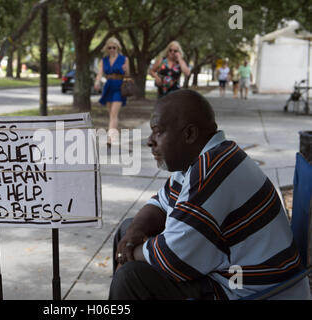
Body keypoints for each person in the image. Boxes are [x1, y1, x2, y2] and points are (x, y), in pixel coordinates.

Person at [109, 89, 311, 300]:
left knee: (131, 278)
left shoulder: (212, 170)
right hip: (232, 275)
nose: (150, 141)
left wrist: (129, 252)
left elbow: (172, 259)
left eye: (158, 132)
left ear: (189, 134)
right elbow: (160, 203)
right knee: (127, 230)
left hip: (250, 290)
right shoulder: (201, 159)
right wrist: (133, 234)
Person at [94, 37, 130, 146]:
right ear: (107, 49)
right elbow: (100, 73)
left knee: (114, 114)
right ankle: (114, 133)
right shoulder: (103, 60)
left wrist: (125, 69)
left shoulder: (124, 59)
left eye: (114, 47)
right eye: (109, 48)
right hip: (108, 86)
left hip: (119, 87)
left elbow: (127, 74)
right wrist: (97, 82)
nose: (112, 50)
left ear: (117, 48)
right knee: (111, 115)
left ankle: (109, 139)